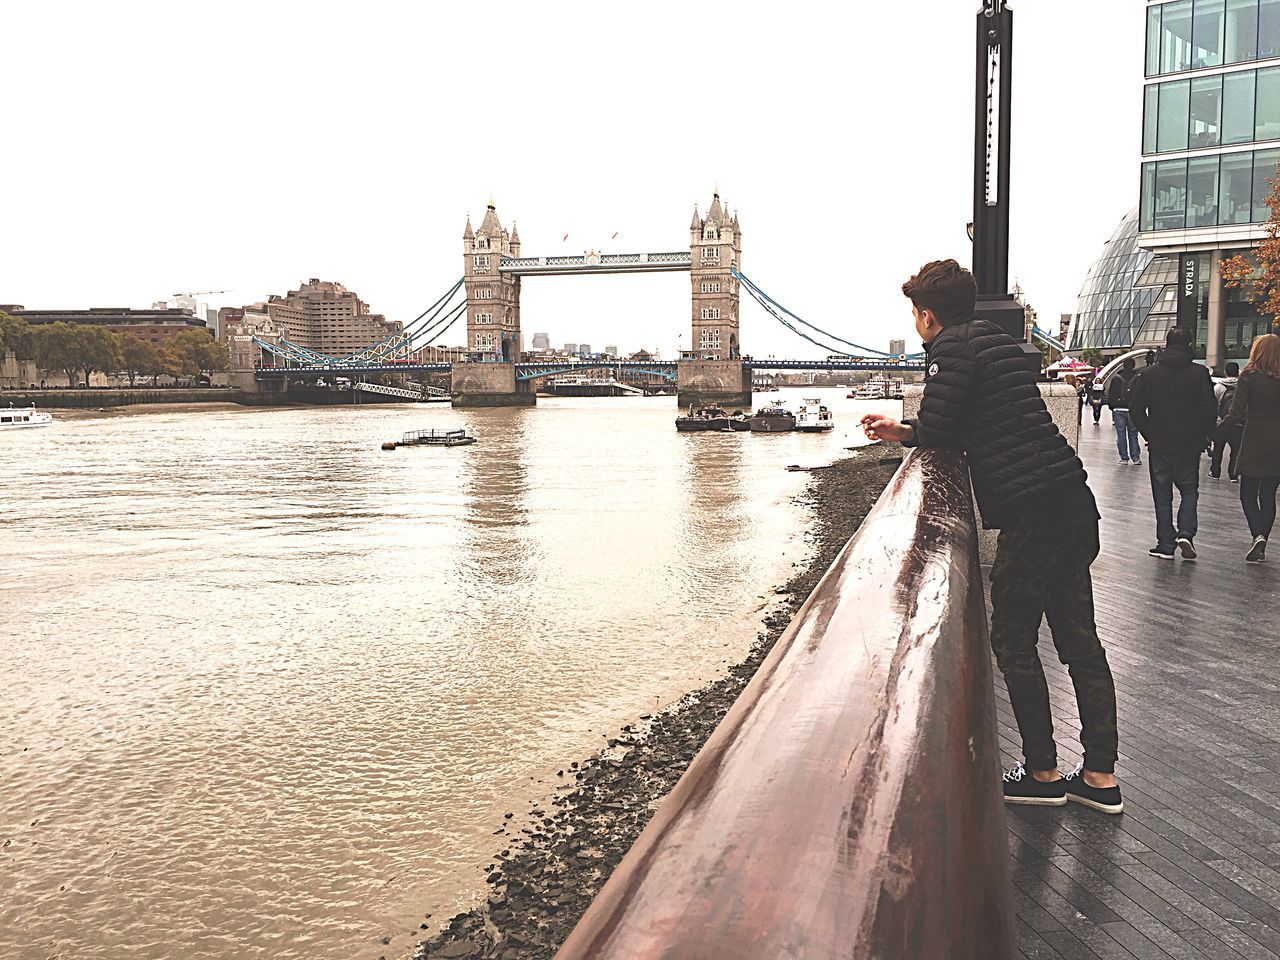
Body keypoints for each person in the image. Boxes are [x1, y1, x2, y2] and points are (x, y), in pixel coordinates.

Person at [861, 259, 1122, 814]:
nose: (916, 323)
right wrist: (911, 430)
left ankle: (1043, 772)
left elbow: (942, 427)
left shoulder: (951, 349)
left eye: (915, 314)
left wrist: (902, 432)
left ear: (927, 316)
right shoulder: (998, 342)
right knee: (1079, 642)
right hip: (1073, 503)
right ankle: (1100, 774)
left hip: (1032, 516)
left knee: (1013, 641)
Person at [1128, 327, 1218, 561]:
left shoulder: (1149, 374)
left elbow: (1136, 408)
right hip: (1189, 443)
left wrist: (1149, 433)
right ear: (1190, 344)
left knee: (1162, 494)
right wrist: (1204, 434)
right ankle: (1186, 532)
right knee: (1189, 490)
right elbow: (1209, 408)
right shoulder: (1200, 373)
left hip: (1160, 444)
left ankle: (1165, 543)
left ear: (1166, 344)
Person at [1228, 334, 1280, 562]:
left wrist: (1213, 433)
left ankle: (1257, 533)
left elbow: (1236, 413)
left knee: (1248, 492)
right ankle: (1262, 541)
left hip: (1255, 436)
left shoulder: (1248, 377)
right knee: (1268, 493)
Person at [1107, 358, 1142, 465]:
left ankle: (1124, 458)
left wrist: (1112, 406)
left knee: (1121, 434)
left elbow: (1110, 394)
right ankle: (1136, 458)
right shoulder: (1137, 378)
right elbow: (1140, 394)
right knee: (1133, 434)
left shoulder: (1116, 378)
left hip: (1118, 409)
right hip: (1132, 409)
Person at [1211, 362, 1242, 481]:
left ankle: (1215, 472)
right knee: (1235, 451)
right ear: (1238, 371)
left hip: (1221, 423)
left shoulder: (1218, 387)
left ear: (1225, 372)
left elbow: (1214, 406)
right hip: (1238, 423)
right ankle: (1233, 475)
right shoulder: (1242, 386)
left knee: (1218, 448)